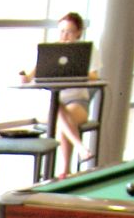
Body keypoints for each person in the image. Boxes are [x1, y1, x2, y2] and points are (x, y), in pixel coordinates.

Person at [20, 12, 100, 176]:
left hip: (77, 101)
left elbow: (94, 76)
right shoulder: (51, 51)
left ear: (78, 32)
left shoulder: (88, 51)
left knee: (62, 116)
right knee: (57, 108)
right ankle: (78, 150)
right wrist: (24, 77)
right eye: (62, 31)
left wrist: (75, 72)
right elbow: (31, 75)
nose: (64, 36)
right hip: (51, 104)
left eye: (69, 32)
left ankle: (64, 170)